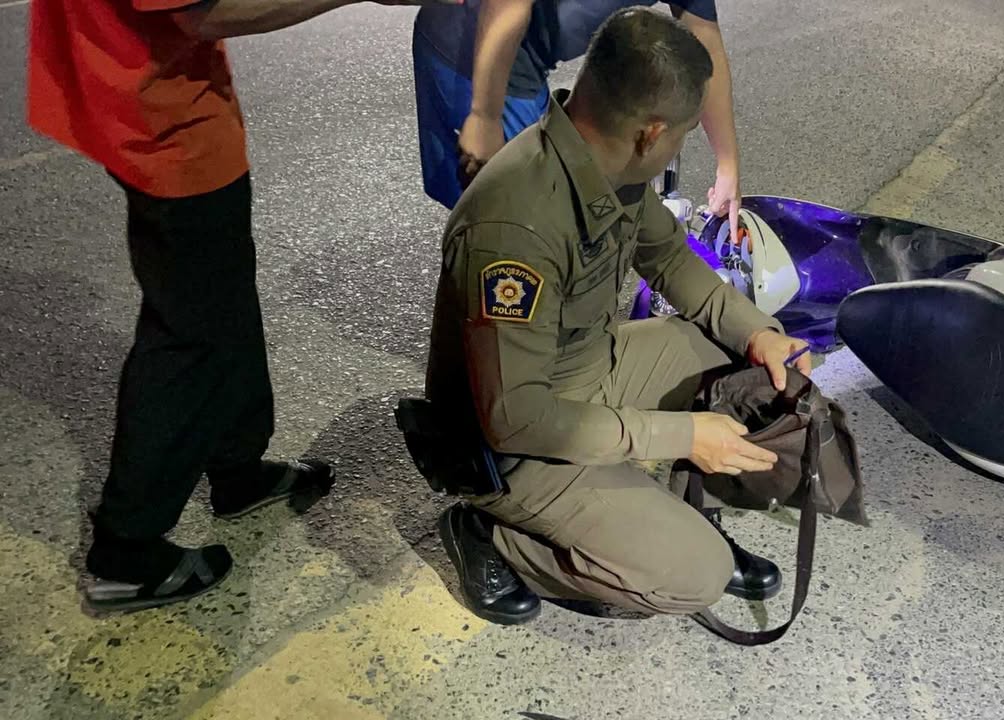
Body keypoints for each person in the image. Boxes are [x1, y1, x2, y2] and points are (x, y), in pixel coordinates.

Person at [25, 0, 440, 613]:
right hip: (161, 117)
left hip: (141, 90)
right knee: (188, 335)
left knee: (223, 305)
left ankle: (236, 469)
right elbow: (206, 13)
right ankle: (126, 554)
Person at [424, 7, 813, 624]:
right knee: (695, 577)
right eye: (683, 135)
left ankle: (680, 514)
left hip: (582, 375)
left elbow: (670, 258)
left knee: (744, 364)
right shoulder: (516, 226)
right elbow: (515, 420)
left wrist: (760, 334)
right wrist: (682, 435)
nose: (680, 146)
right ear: (650, 135)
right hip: (514, 449)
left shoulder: (602, 161)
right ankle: (493, 536)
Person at [411, 0, 744, 231]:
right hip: (477, 58)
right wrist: (485, 115)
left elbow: (706, 46)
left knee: (540, 216)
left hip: (524, 65)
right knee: (516, 225)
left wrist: (727, 166)